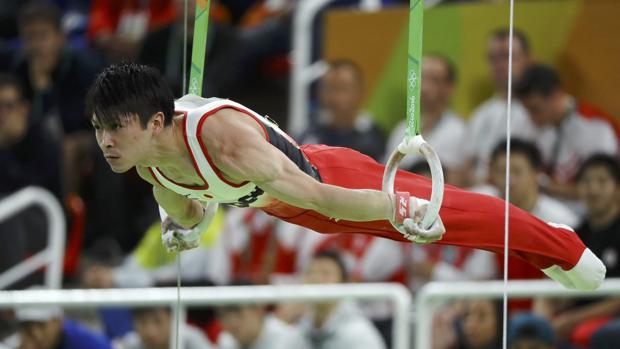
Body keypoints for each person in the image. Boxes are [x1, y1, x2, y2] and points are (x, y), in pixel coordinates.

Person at [84, 62, 605, 292]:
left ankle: (561, 246)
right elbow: (181, 202)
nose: (104, 141)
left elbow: (321, 196)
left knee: (452, 214)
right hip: (293, 209)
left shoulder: (225, 140)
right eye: (98, 128)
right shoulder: (145, 159)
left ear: (156, 122)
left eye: (114, 128)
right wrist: (184, 226)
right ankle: (548, 249)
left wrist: (394, 209)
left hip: (331, 180)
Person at [515, 64, 617, 203]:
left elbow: (603, 191)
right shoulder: (536, 128)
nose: (532, 118)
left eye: (535, 109)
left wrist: (546, 186)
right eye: (527, 111)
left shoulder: (595, 127)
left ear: (556, 95)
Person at [463, 28, 535, 185]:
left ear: (527, 59)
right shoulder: (480, 115)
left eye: (507, 57)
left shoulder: (538, 112)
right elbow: (467, 166)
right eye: (493, 59)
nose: (500, 65)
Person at [386, 54, 467, 186]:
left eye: (433, 81)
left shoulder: (459, 131)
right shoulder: (401, 129)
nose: (424, 87)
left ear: (449, 88)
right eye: (420, 79)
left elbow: (457, 180)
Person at [298, 250, 387, 349]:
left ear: (343, 283)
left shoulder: (358, 334)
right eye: (310, 272)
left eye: (325, 274)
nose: (315, 279)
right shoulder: (297, 330)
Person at [299, 59, 385, 161]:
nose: (335, 97)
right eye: (329, 88)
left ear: (360, 92)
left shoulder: (376, 139)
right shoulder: (310, 133)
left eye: (343, 88)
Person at [10, 305, 113, 349]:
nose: (36, 334)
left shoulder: (85, 342)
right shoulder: (18, 343)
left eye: (41, 325)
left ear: (58, 321)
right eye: (28, 326)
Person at [114, 307, 215, 349]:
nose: (150, 331)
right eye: (142, 322)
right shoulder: (130, 344)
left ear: (171, 319)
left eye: (157, 321)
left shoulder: (191, 340)